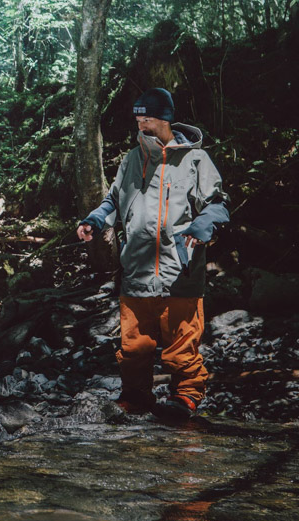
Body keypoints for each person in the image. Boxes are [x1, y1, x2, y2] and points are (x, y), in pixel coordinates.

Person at [77, 88, 229, 420]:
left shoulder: (195, 160)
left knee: (182, 347)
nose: (139, 124)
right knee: (133, 347)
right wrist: (93, 220)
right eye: (137, 119)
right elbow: (113, 202)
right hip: (136, 272)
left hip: (180, 272)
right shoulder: (132, 159)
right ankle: (135, 397)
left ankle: (186, 396)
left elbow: (216, 206)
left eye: (144, 118)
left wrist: (204, 227)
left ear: (163, 119)